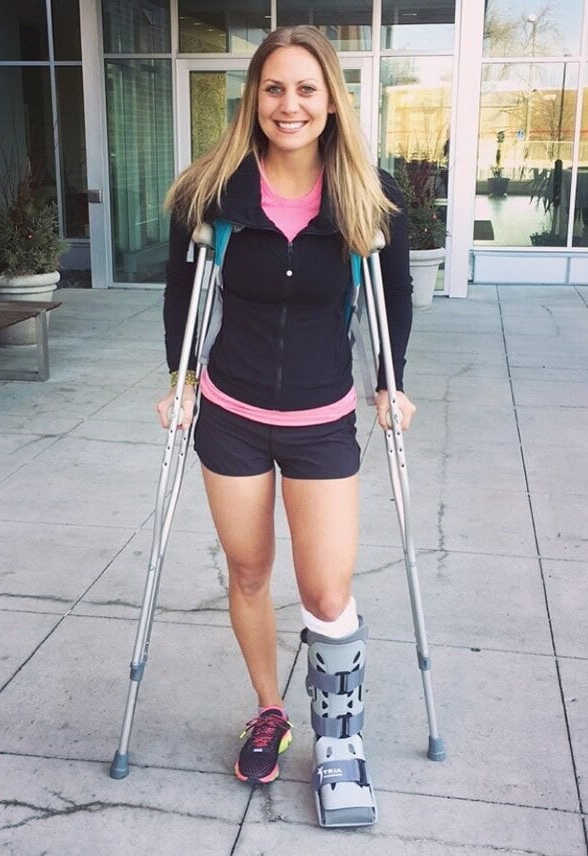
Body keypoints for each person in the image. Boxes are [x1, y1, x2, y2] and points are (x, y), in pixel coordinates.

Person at [156, 25, 415, 828]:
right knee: (247, 574)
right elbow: (181, 295)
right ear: (254, 100)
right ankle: (271, 709)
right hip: (230, 416)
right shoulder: (211, 194)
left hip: (321, 421)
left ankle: (340, 742)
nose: (289, 104)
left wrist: (391, 384)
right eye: (274, 88)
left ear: (331, 98)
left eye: (306, 88)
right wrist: (181, 380)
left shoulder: (368, 199)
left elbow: (392, 299)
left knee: (327, 589)